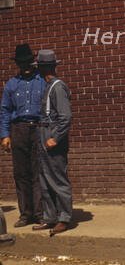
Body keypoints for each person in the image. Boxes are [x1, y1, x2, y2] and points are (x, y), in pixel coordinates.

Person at [0, 44, 46, 227]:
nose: (25, 66)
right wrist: (5, 135)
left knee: (38, 171)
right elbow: (5, 111)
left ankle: (39, 213)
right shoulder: (11, 84)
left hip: (37, 128)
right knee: (21, 173)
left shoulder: (42, 81)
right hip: (18, 129)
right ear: (17, 64)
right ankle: (25, 214)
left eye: (28, 62)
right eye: (21, 63)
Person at [31, 50, 73, 236]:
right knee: (45, 178)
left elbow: (65, 117)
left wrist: (55, 137)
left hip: (52, 134)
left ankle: (64, 217)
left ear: (45, 67)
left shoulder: (58, 87)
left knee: (57, 177)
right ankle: (50, 217)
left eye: (40, 66)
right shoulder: (48, 86)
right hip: (43, 132)